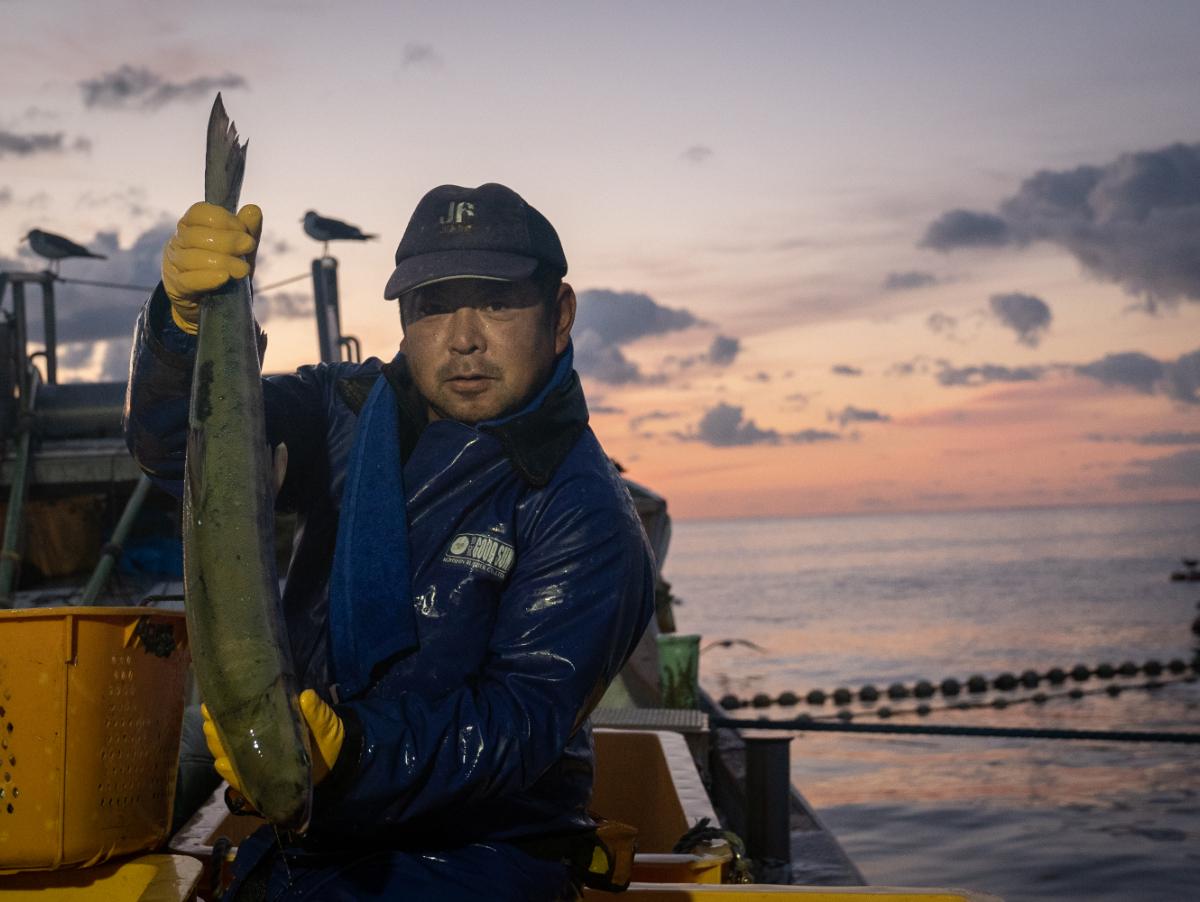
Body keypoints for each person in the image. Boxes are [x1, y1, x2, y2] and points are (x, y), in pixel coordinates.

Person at [124, 182, 656, 900]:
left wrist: (350, 749)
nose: (464, 337)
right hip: (304, 835)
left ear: (559, 316)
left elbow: (518, 724)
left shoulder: (585, 511)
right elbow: (178, 453)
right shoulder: (339, 412)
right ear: (404, 320)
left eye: (496, 300)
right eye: (433, 306)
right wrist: (183, 333)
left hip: (480, 857)